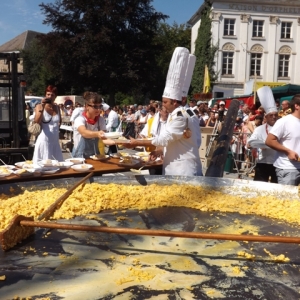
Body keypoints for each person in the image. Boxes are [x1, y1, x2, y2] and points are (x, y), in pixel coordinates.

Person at [125, 47, 202, 176]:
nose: (163, 106)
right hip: (177, 167)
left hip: (183, 170)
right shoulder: (187, 112)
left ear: (175, 101)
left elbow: (165, 138)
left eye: (165, 102)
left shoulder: (181, 116)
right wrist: (159, 151)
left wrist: (137, 142)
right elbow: (175, 140)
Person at [266, 94, 300, 186]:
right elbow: (269, 140)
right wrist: (288, 151)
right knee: (287, 199)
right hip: (288, 168)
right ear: (296, 106)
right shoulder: (284, 121)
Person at [248, 86, 278, 183]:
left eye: (275, 115)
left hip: (277, 162)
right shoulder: (260, 129)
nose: (273, 117)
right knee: (259, 186)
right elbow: (251, 141)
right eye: (271, 115)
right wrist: (252, 144)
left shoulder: (282, 127)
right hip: (263, 162)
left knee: (276, 187)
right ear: (266, 116)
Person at [72, 92, 115, 158]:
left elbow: (104, 139)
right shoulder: (80, 119)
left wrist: (116, 142)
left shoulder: (101, 120)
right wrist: (97, 134)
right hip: (80, 155)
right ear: (87, 106)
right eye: (95, 106)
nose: (98, 109)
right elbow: (84, 133)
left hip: (95, 154)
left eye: (100, 106)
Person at [32, 85, 63, 163]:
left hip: (55, 141)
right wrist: (42, 106)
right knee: (44, 166)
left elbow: (59, 121)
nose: (50, 97)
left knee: (58, 166)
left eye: (52, 95)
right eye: (48, 94)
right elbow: (37, 121)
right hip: (44, 141)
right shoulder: (39, 106)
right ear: (45, 95)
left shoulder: (57, 108)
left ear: (55, 96)